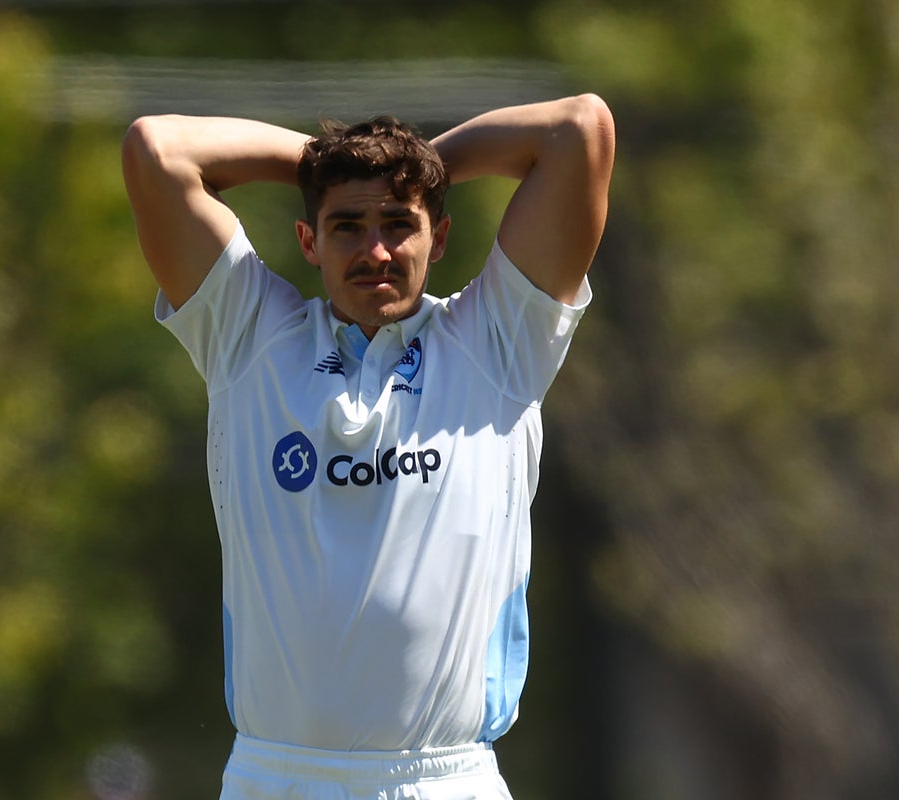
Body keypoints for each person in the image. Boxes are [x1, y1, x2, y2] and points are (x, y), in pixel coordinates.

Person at [121, 93, 615, 799]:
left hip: (444, 780)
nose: (375, 250)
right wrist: (336, 163)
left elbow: (579, 129)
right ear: (308, 241)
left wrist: (412, 166)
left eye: (398, 222)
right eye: (346, 224)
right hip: (277, 777)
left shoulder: (497, 345)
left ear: (438, 238)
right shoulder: (249, 341)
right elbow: (156, 150)